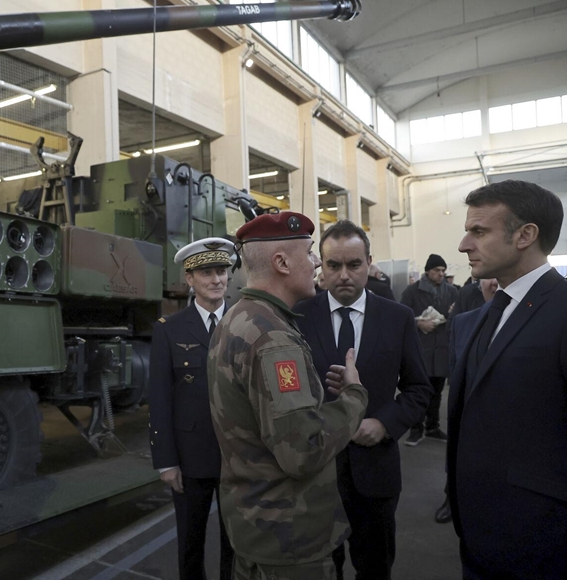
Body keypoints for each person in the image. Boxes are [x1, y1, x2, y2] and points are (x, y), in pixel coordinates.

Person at [208, 211, 368, 580]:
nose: (316, 263)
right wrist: (355, 397)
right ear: (281, 262)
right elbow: (303, 450)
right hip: (289, 540)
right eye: (311, 253)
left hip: (255, 528)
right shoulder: (273, 338)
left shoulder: (238, 317)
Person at [449, 180, 567, 578]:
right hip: (479, 536)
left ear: (526, 235)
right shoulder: (486, 314)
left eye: (478, 231)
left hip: (548, 545)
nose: (464, 244)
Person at [294, 220, 432, 580]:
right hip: (313, 475)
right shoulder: (297, 317)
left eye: (353, 265)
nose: (343, 275)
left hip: (375, 474)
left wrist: (385, 423)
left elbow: (419, 388)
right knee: (319, 569)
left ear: (369, 263)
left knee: (374, 567)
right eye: (332, 265)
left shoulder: (397, 318)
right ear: (320, 266)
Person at [149, 237, 236, 580]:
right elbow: (159, 399)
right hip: (190, 458)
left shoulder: (247, 321)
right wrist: (166, 461)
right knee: (190, 543)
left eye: (221, 271)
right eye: (206, 273)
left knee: (238, 543)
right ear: (189, 279)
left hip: (239, 455)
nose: (216, 279)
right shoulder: (169, 330)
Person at [434, 277, 497, 525]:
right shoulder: (464, 316)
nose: (494, 283)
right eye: (487, 278)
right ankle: (452, 496)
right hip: (466, 409)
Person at [399, 254, 458, 445]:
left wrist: (449, 316)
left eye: (443, 271)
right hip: (420, 349)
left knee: (437, 391)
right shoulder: (412, 291)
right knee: (417, 391)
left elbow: (459, 316)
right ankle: (416, 429)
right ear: (427, 272)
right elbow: (401, 315)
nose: (441, 274)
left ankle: (432, 426)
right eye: (437, 271)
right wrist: (419, 324)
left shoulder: (452, 292)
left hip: (441, 348)